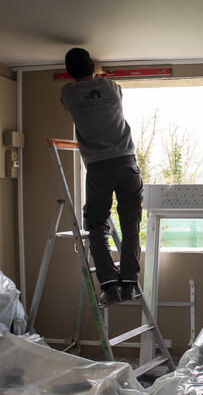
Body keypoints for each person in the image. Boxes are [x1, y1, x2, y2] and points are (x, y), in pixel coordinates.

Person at [60, 47, 142, 306]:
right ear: (93, 67)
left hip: (98, 168)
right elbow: (105, 80)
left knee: (97, 224)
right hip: (126, 164)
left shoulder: (68, 94)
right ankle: (129, 283)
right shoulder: (111, 88)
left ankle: (109, 284)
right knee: (130, 223)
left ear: (69, 72)